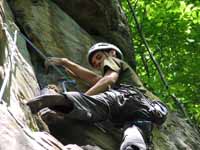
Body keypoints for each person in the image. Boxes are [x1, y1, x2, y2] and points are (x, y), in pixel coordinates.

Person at [27, 42, 168, 150]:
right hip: (142, 110)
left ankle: (57, 101)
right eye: (95, 63)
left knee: (94, 106)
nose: (98, 63)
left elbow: (108, 80)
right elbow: (96, 79)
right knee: (135, 131)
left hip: (123, 96)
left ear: (112, 52)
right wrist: (66, 63)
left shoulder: (113, 60)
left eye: (99, 58)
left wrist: (85, 97)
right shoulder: (125, 72)